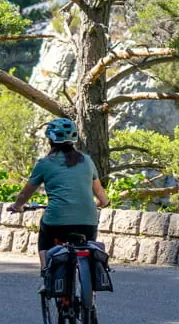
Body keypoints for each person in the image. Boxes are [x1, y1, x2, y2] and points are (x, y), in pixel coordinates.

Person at [9, 118, 111, 287]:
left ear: (50, 139)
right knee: (89, 246)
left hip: (56, 220)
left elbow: (25, 193)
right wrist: (103, 204)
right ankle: (90, 300)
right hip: (87, 220)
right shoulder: (87, 161)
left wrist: (17, 206)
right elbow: (101, 196)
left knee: (45, 242)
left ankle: (47, 277)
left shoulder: (44, 163)